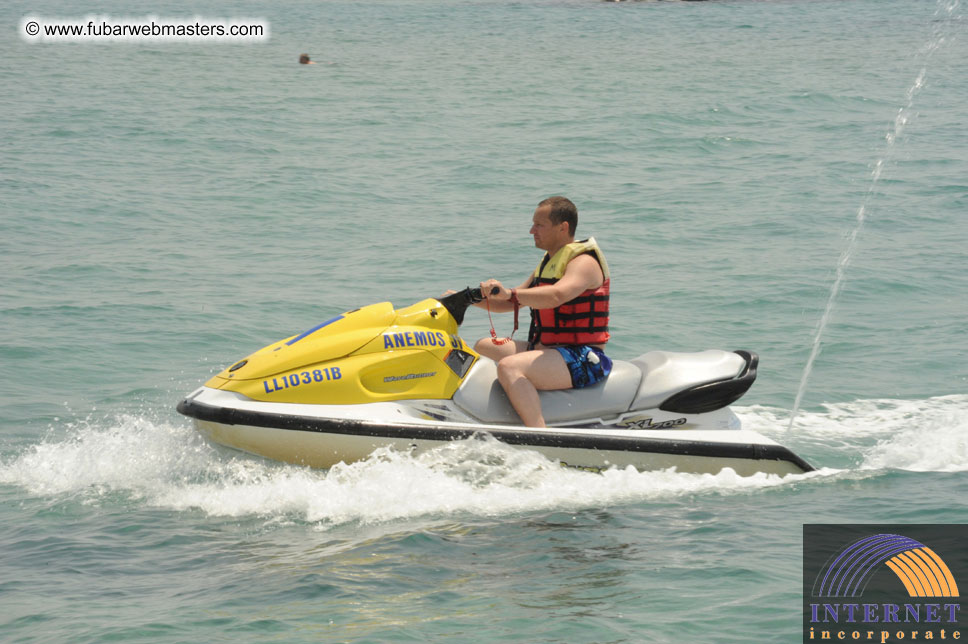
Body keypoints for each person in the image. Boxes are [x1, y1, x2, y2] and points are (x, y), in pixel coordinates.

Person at [475, 196, 612, 427]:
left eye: (539, 225)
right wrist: (466, 301)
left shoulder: (584, 263)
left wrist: (509, 293)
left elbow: (556, 295)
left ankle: (539, 433)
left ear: (563, 227)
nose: (531, 231)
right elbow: (512, 303)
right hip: (548, 349)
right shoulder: (549, 262)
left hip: (582, 357)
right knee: (483, 346)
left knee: (510, 366)